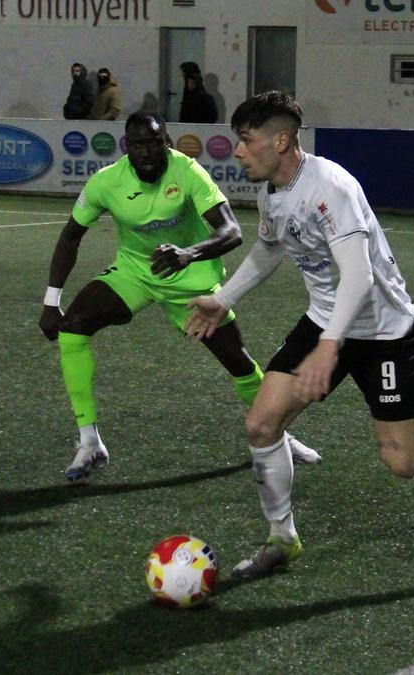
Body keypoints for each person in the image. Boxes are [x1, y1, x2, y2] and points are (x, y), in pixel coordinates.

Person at [185, 91, 414, 577]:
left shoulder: (331, 187)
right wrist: (225, 298)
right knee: (261, 424)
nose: (237, 151)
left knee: (402, 460)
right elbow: (269, 247)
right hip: (327, 321)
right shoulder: (271, 191)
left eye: (246, 140)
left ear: (280, 141)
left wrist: (328, 347)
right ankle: (282, 538)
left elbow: (358, 279)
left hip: (384, 332)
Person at [38, 111, 321, 482]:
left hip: (191, 282)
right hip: (135, 273)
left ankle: (279, 436)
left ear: (166, 142)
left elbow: (232, 231)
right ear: (127, 147)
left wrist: (189, 253)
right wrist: (50, 300)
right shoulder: (106, 182)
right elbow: (71, 235)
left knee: (238, 362)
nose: (147, 152)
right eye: (138, 144)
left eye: (154, 143)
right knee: (72, 327)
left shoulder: (187, 172)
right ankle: (89, 441)